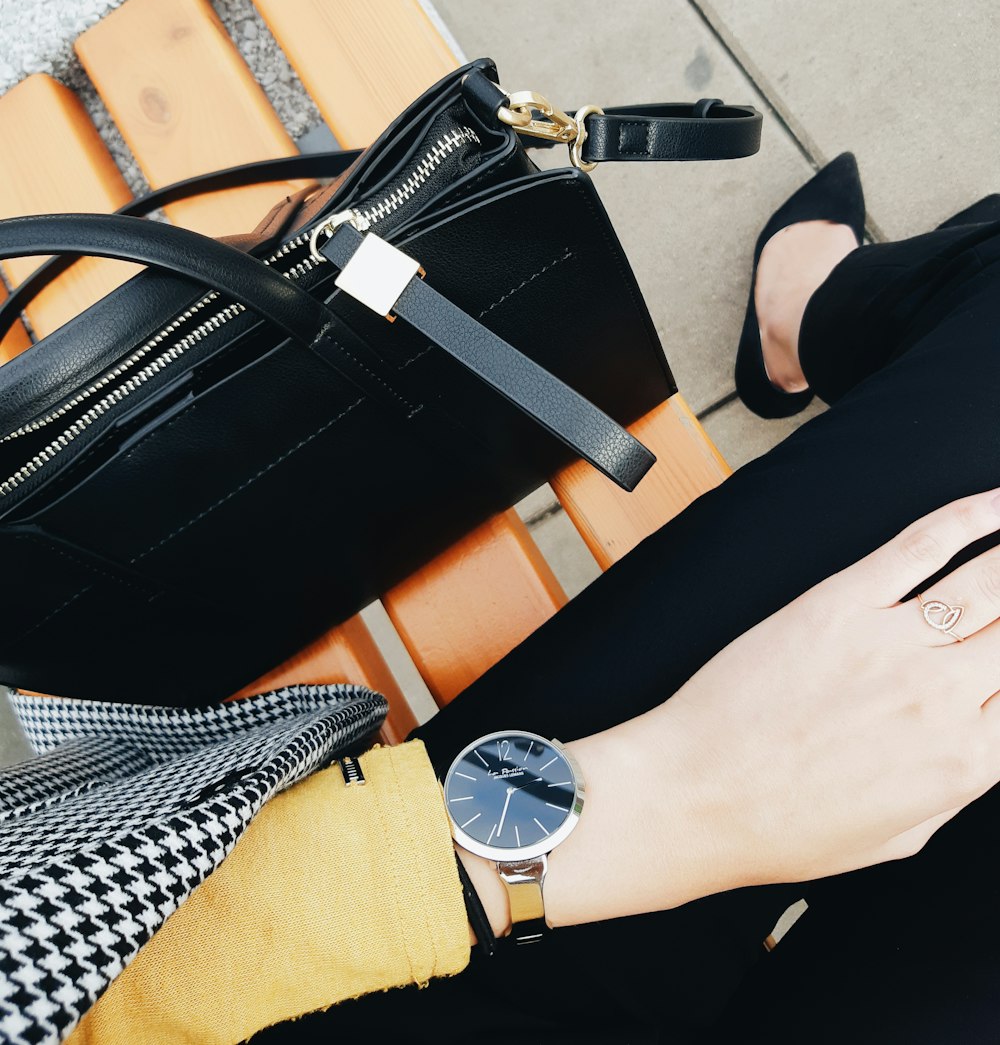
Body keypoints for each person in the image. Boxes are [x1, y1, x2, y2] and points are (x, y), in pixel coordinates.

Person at [51, 156, 1000, 1044]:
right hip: (389, 957)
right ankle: (826, 310)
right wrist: (673, 800)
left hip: (301, 940)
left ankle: (826, 313)